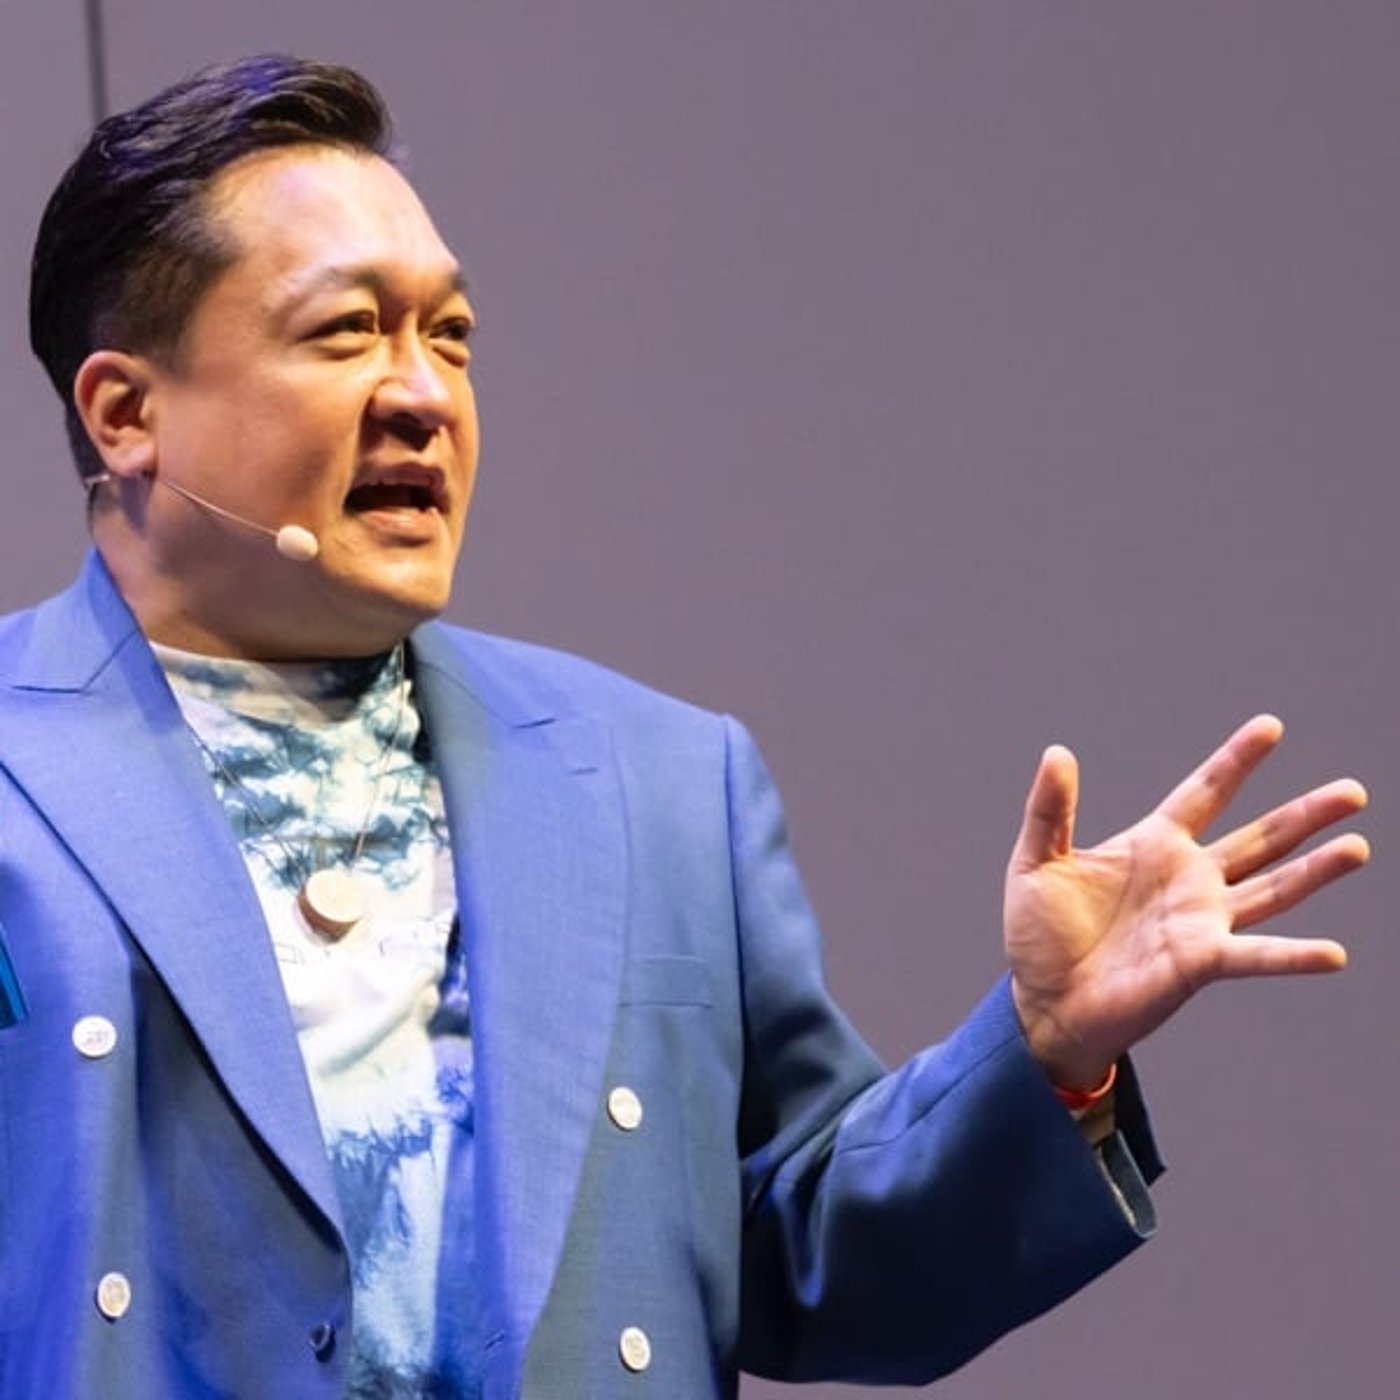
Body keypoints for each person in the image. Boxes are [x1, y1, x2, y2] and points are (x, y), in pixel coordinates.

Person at [1, 55, 1367, 1399]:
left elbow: (808, 1250)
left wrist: (1046, 1052)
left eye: (451, 336)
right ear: (126, 414)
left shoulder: (650, 779)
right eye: (349, 332)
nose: (423, 394)